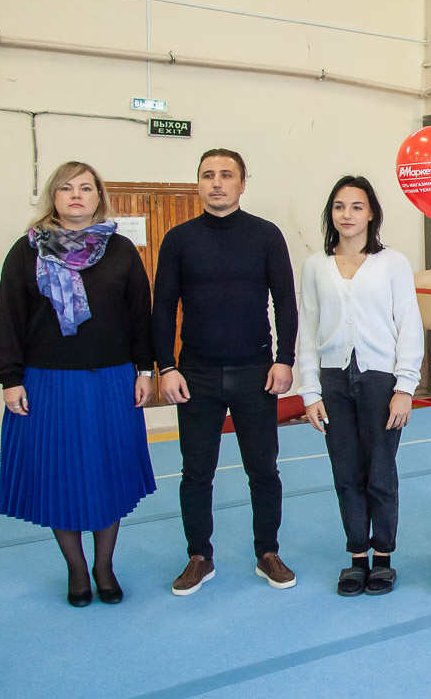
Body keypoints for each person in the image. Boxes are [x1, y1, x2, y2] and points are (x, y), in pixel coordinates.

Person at [0, 161, 155, 607]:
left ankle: (104, 566)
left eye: (86, 187)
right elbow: (9, 317)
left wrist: (145, 370)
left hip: (111, 382)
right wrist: (10, 378)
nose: (76, 195)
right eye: (66, 188)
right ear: (54, 197)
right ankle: (77, 569)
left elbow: (140, 315)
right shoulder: (26, 251)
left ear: (99, 196)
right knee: (58, 477)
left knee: (109, 476)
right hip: (48, 385)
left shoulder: (120, 250)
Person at [152, 148, 298, 596]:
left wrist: (285, 359)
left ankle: (268, 552)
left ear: (242, 183)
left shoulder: (266, 235)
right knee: (196, 473)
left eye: (226, 175)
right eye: (208, 175)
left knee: (263, 470)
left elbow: (286, 302)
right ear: (198, 183)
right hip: (196, 375)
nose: (216, 182)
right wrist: (167, 366)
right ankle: (199, 556)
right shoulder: (179, 240)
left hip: (256, 372)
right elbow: (163, 308)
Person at [297, 176, 423, 597]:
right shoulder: (315, 265)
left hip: (381, 381)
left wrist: (405, 387)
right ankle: (357, 557)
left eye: (356, 206)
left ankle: (383, 557)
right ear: (330, 214)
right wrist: (310, 392)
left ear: (371, 213)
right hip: (333, 380)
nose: (347, 214)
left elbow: (409, 326)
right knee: (346, 473)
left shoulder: (393, 263)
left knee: (380, 473)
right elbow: (306, 329)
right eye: (339, 206)